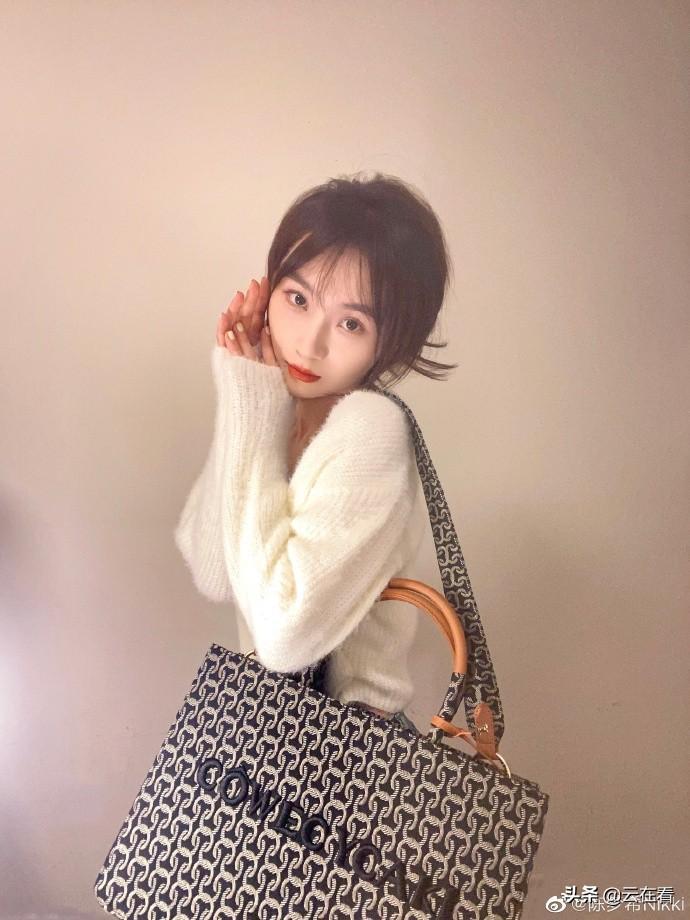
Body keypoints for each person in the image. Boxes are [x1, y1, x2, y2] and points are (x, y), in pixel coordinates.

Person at [174, 172, 457, 736]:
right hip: (272, 735)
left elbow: (282, 636)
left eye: (351, 323)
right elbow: (213, 570)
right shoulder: (272, 412)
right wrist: (245, 393)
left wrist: (254, 406)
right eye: (298, 299)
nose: (309, 343)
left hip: (344, 755)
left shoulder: (370, 430)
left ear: (390, 341)